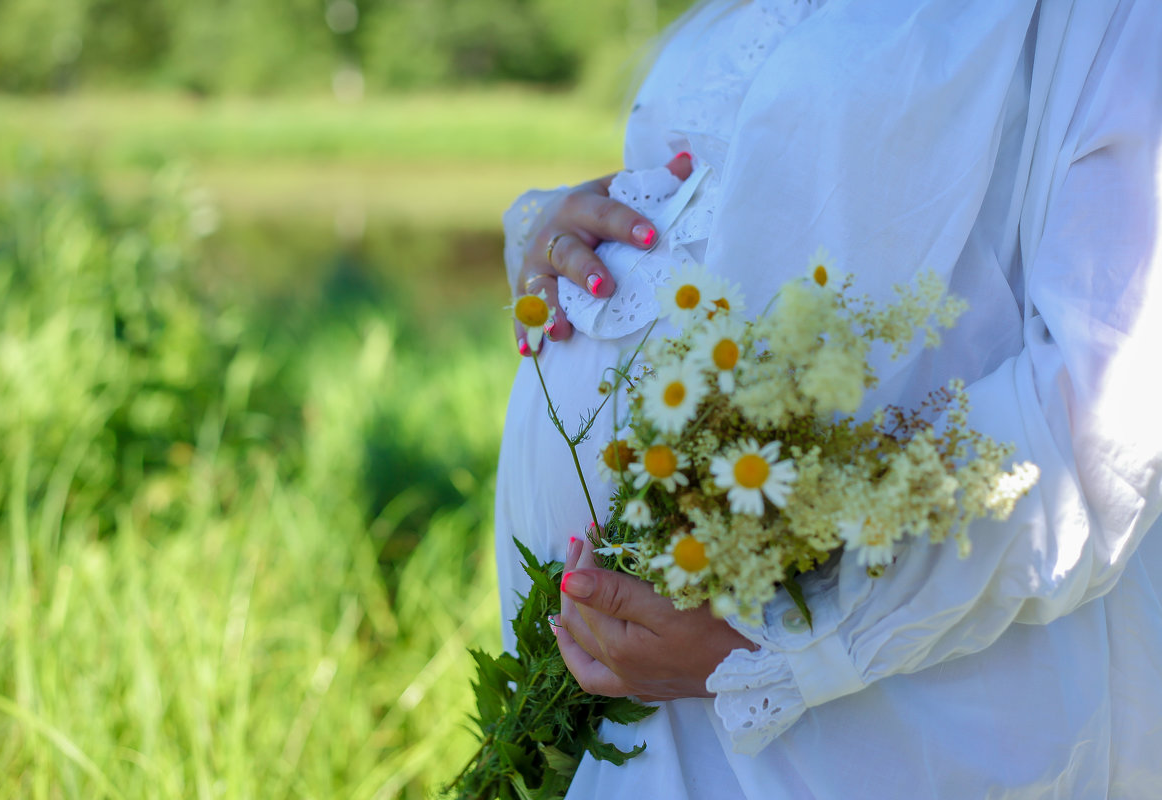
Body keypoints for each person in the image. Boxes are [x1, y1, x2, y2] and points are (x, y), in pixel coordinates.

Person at [495, 0, 1162, 797]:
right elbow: (729, 202)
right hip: (628, 685)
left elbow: (1103, 423)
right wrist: (557, 235)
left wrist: (777, 647)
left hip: (864, 709)